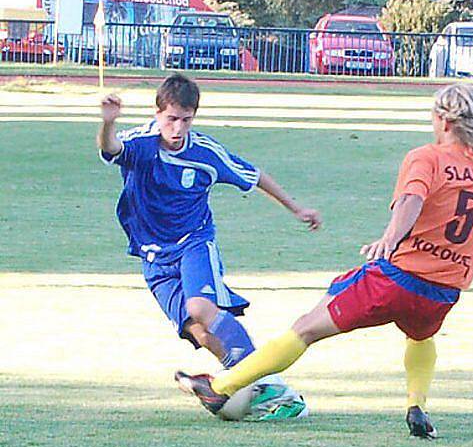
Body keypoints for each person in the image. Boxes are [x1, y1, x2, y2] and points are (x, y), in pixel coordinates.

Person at [175, 83, 473, 439]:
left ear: (442, 119)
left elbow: (412, 199)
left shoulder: (427, 157)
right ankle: (417, 405)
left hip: (396, 280)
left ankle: (222, 386)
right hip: (442, 292)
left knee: (305, 329)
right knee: (421, 337)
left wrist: (390, 238)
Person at [98, 73, 322, 418]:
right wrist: (108, 123)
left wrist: (297, 208)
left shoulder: (204, 152)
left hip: (194, 242)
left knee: (202, 307)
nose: (177, 128)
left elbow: (254, 175)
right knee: (198, 332)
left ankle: (271, 383)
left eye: (185, 120)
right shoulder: (141, 144)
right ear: (158, 114)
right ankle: (253, 390)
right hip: (154, 258)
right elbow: (111, 150)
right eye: (171, 119)